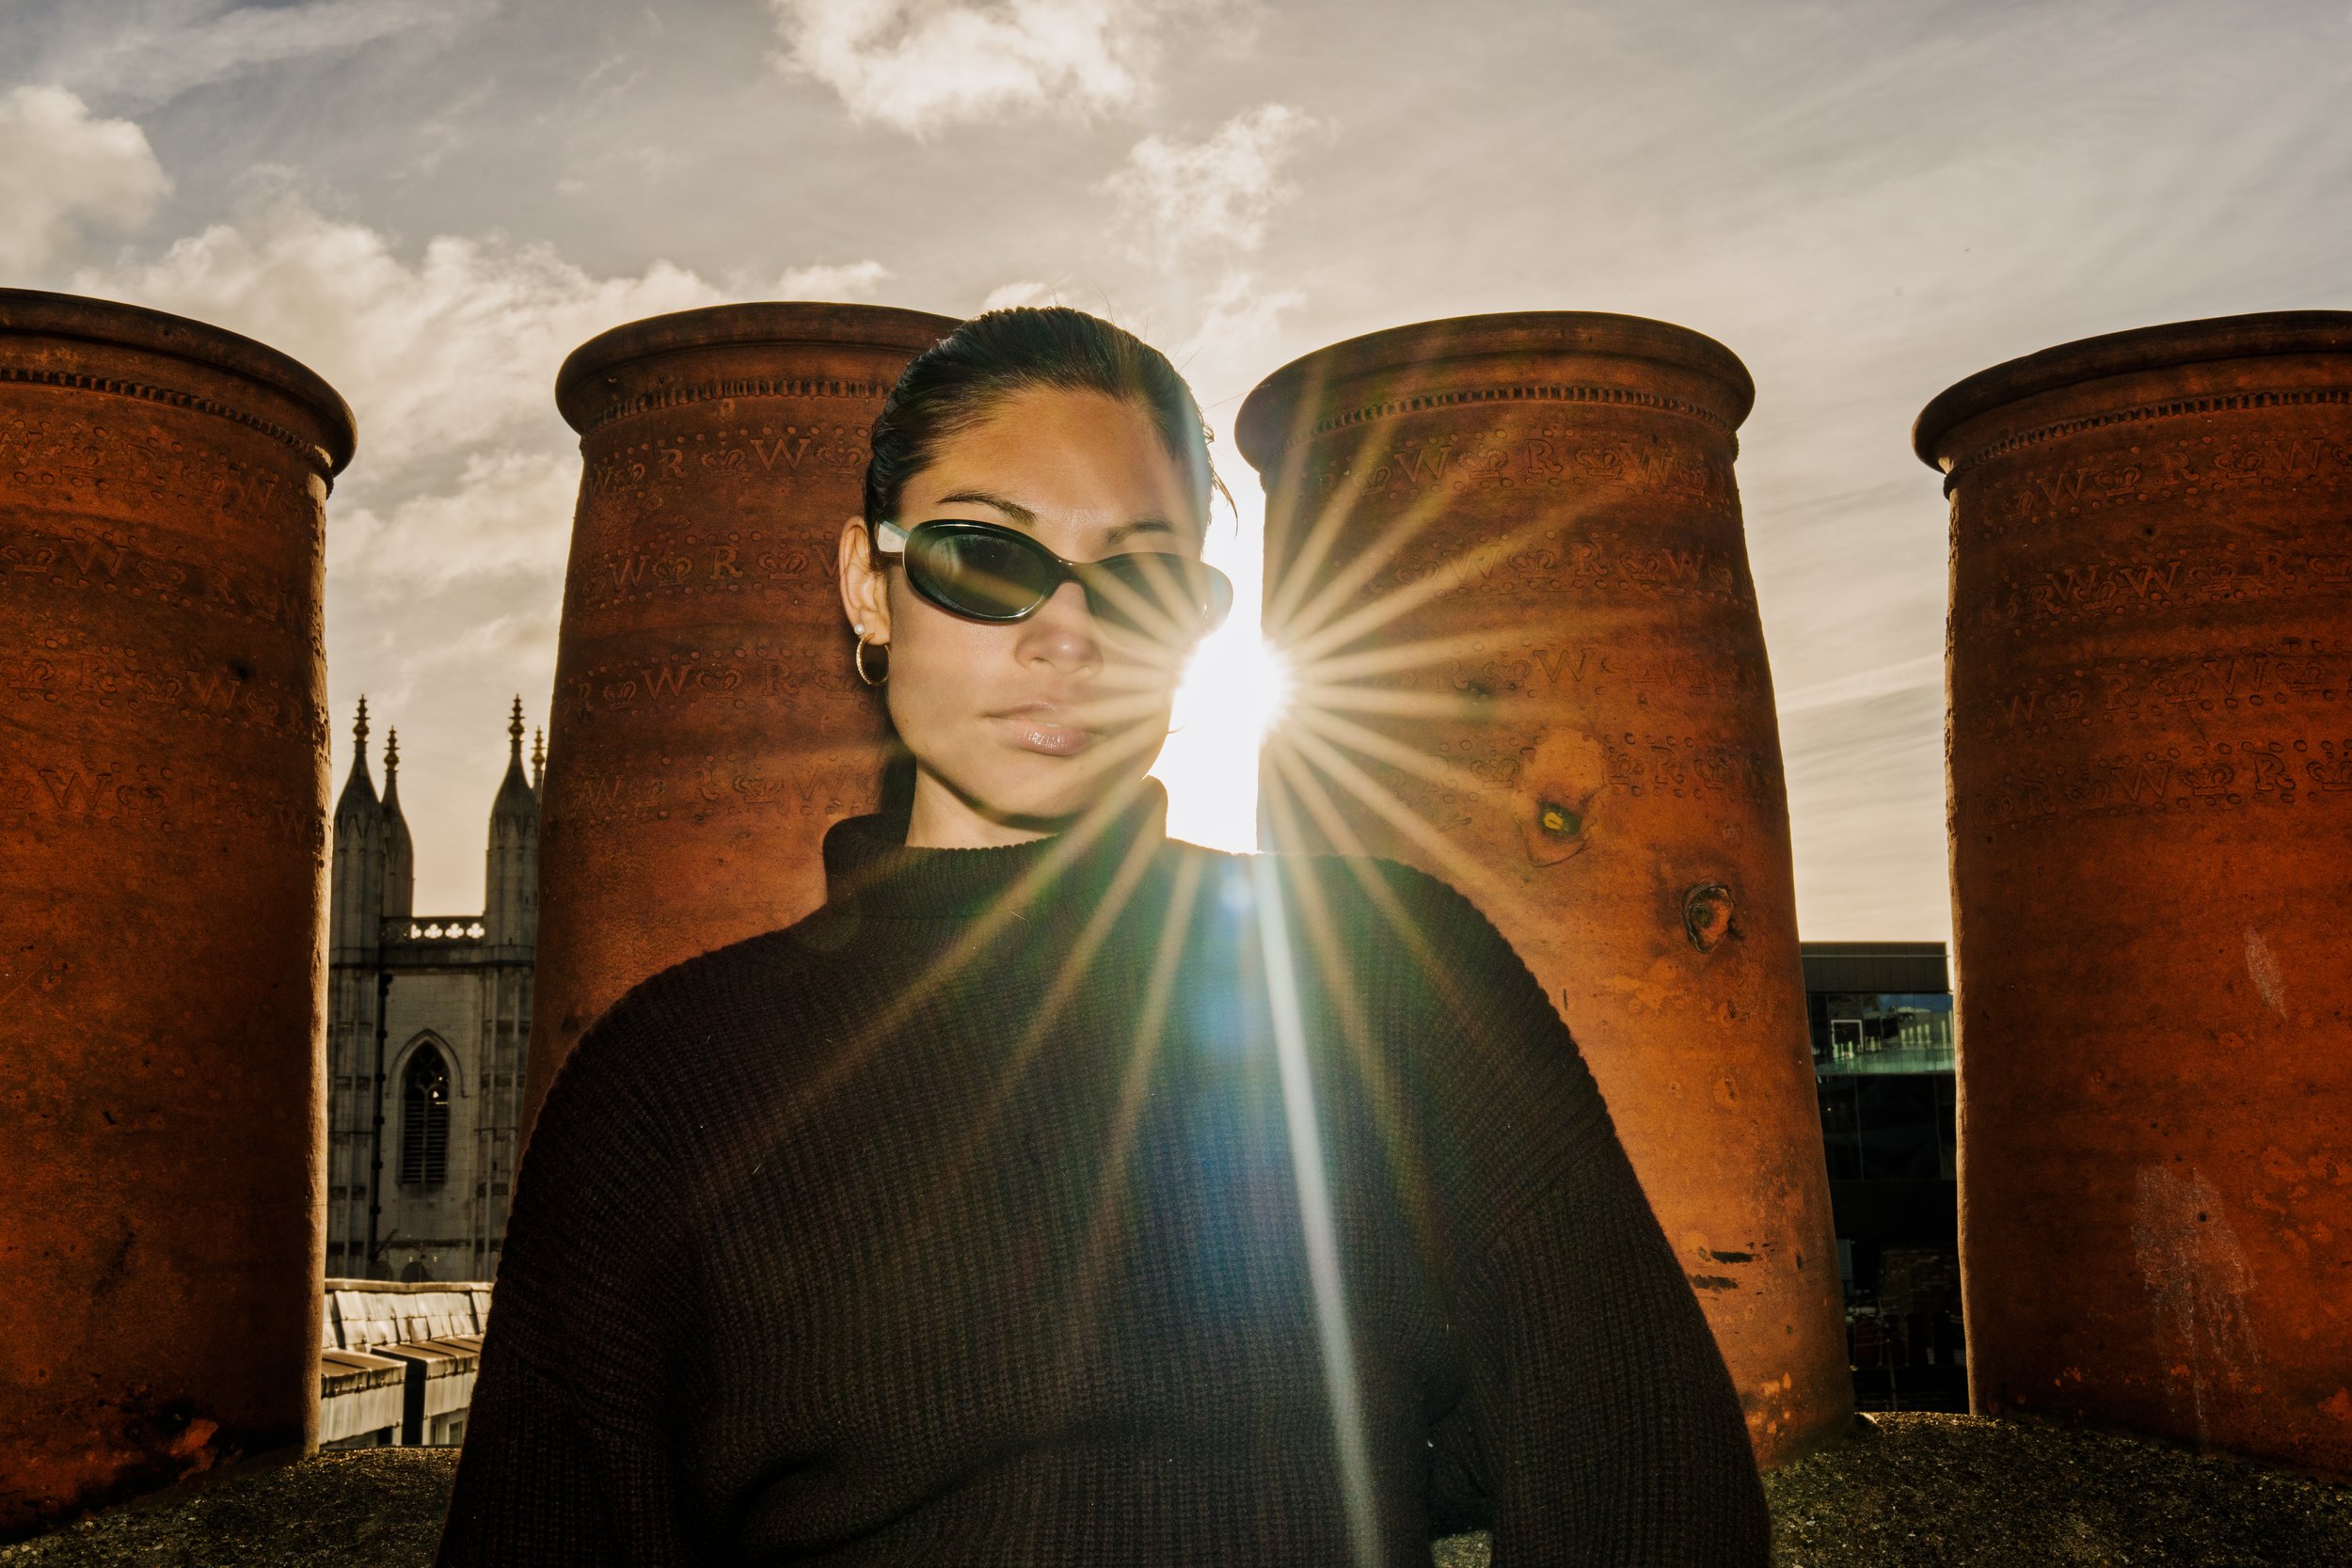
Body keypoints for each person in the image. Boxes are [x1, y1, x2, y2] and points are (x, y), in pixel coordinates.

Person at [436, 307, 1772, 1565]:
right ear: (868, 583)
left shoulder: (1384, 967)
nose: (1065, 639)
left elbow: (1645, 1471)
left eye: (1137, 583)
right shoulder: (666, 1084)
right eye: (984, 558)